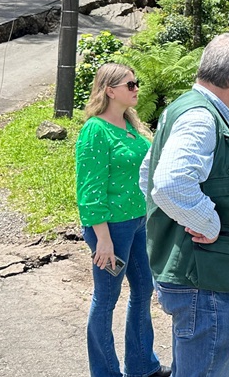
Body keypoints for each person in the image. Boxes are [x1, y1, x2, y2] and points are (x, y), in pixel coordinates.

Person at [140, 33, 229, 377]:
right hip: (206, 278)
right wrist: (208, 223)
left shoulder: (184, 108)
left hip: (201, 276)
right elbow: (167, 183)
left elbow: (146, 174)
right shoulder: (201, 117)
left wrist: (176, 218)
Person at [75, 63, 170, 377]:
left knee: (143, 292)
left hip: (140, 222)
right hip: (111, 228)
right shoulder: (95, 130)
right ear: (109, 90)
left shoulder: (131, 126)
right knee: (106, 298)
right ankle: (105, 372)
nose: (136, 88)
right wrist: (102, 238)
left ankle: (142, 365)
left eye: (136, 83)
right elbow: (89, 189)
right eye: (130, 84)